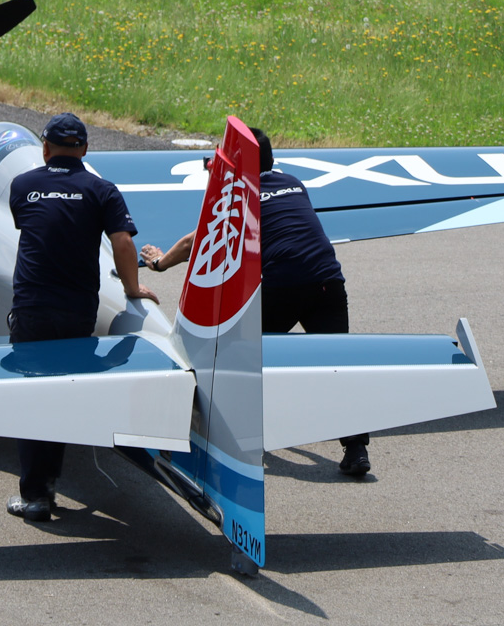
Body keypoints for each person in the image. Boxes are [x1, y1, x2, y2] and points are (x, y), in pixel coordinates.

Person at [141, 126, 372, 478]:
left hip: (283, 286)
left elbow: (198, 240)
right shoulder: (293, 181)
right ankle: (356, 450)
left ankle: (230, 437)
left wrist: (158, 263)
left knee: (232, 353)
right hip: (327, 281)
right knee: (337, 363)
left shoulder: (240, 194)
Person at [4, 112, 157, 521]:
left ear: (45, 148)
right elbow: (123, 242)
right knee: (64, 391)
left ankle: (36, 495)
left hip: (32, 306)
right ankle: (50, 481)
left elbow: (34, 228)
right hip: (77, 308)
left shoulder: (23, 185)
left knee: (34, 394)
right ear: (85, 150)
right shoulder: (102, 190)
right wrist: (131, 289)